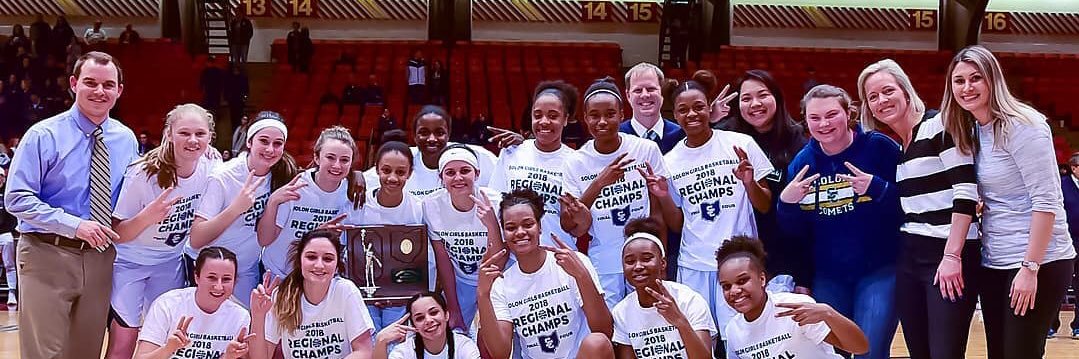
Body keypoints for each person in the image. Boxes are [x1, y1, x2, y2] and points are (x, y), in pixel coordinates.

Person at [942, 45, 1077, 358]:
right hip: (995, 260)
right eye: (959, 81)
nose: (967, 87)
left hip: (1039, 260)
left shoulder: (1024, 125)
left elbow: (1047, 202)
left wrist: (1030, 268)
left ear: (993, 80)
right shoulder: (972, 130)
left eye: (976, 78)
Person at [5, 51, 139, 358]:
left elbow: (136, 193)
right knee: (45, 354)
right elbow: (16, 198)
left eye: (108, 85)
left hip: (100, 259)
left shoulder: (126, 139)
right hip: (46, 253)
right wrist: (74, 225)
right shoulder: (43, 135)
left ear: (119, 90)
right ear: (73, 84)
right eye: (90, 82)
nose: (99, 91)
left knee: (86, 352)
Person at [857, 59, 981, 358]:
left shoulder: (941, 125)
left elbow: (965, 191)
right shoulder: (902, 146)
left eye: (888, 90)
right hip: (911, 254)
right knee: (919, 352)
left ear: (906, 89)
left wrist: (952, 256)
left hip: (948, 253)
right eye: (872, 97)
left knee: (944, 352)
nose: (881, 100)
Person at [777, 85, 902, 359]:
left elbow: (911, 204)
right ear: (806, 120)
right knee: (833, 353)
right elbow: (795, 233)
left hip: (880, 271)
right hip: (828, 277)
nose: (824, 124)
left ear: (849, 113)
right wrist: (786, 204)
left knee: (870, 350)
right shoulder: (802, 164)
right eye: (815, 118)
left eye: (832, 114)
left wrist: (877, 188)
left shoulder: (880, 148)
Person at [649, 75, 774, 338]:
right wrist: (662, 196)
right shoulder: (670, 161)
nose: (691, 114)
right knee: (699, 340)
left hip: (738, 262)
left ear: (710, 107)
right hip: (694, 263)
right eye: (683, 110)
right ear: (675, 115)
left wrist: (750, 182)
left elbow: (764, 205)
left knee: (742, 340)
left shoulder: (740, 144)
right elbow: (677, 224)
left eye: (698, 106)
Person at [105, 104, 216, 359]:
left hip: (169, 264)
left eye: (200, 134)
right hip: (129, 263)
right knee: (125, 338)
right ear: (168, 133)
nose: (192, 140)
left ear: (209, 137)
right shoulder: (143, 173)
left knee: (166, 340)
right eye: (184, 133)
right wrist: (148, 217)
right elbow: (116, 233)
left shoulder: (211, 168)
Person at [562, 77, 668, 308]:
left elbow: (657, 211)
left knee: (649, 319)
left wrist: (661, 257)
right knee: (611, 328)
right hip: (604, 260)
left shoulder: (645, 149)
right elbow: (568, 223)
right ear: (585, 118)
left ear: (622, 115)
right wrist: (599, 183)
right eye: (594, 115)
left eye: (610, 114)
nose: (602, 121)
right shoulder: (575, 162)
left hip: (644, 258)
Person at [478, 188, 615, 358]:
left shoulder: (573, 262)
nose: (520, 232)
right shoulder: (502, 284)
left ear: (540, 227)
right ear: (504, 234)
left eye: (528, 225)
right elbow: (500, 354)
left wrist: (581, 276)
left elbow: (604, 331)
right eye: (511, 227)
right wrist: (482, 294)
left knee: (597, 342)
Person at [191, 110, 299, 308]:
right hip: (210, 268)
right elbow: (197, 238)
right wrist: (235, 209)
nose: (270, 149)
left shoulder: (281, 176)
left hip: (245, 268)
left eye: (278, 144)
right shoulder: (223, 176)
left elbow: (264, 238)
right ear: (249, 142)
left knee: (243, 330)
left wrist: (273, 202)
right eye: (264, 141)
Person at [716, 70, 809, 292]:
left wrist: (803, 277)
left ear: (776, 97)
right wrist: (709, 120)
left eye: (763, 95)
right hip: (737, 250)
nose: (755, 104)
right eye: (746, 99)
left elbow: (805, 217)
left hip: (784, 253)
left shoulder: (798, 141)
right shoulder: (725, 136)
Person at [718, 236, 869, 358]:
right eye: (726, 286)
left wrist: (827, 313)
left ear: (762, 279)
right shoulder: (733, 330)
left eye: (742, 281)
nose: (734, 291)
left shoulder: (795, 307)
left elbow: (860, 347)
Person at [250, 229, 376, 359]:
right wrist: (258, 316)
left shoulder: (345, 290)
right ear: (299, 261)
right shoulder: (281, 296)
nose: (319, 265)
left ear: (337, 265)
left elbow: (364, 352)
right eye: (311, 257)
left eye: (327, 259)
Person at [258, 126, 359, 278]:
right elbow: (264, 239)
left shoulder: (351, 191)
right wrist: (273, 202)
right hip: (278, 274)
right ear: (317, 157)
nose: (337, 165)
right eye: (330, 158)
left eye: (344, 160)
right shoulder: (297, 186)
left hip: (317, 277)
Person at [423, 144, 503, 331]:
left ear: (477, 173)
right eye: (450, 172)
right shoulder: (431, 206)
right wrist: (453, 307)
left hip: (496, 278)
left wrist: (491, 224)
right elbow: (443, 260)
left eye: (465, 171)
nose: (458, 178)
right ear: (441, 178)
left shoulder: (496, 201)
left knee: (492, 337)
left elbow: (502, 255)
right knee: (451, 329)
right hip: (461, 282)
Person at [489, 80, 579, 247]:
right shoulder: (511, 151)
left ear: (566, 119)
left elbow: (576, 222)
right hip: (516, 256)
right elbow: (496, 205)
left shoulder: (576, 161)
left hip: (557, 255)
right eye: (537, 115)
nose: (544, 121)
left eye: (553, 116)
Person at [613, 217, 716, 359]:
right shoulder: (622, 312)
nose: (638, 267)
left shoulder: (689, 300)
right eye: (630, 261)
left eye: (646, 258)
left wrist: (679, 321)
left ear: (662, 263)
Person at [134, 246, 253, 359]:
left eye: (226, 279)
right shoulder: (167, 304)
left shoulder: (240, 316)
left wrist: (228, 356)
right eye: (212, 277)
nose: (218, 286)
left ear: (235, 281)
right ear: (197, 277)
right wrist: (169, 348)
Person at [363, 106, 498, 199]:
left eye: (439, 133)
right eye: (424, 133)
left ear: (448, 134)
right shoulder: (402, 158)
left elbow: (508, 176)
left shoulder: (477, 155)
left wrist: (519, 148)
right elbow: (371, 177)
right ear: (414, 136)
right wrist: (356, 176)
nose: (432, 139)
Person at [375, 291, 481, 359]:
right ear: (413, 325)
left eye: (434, 312)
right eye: (420, 318)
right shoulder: (404, 352)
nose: (428, 320)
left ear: (446, 315)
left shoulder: (464, 346)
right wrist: (380, 341)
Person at [620, 62, 686, 154]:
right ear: (628, 96)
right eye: (638, 90)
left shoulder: (681, 136)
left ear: (661, 92)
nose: (645, 95)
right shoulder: (617, 137)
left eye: (651, 89)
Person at [1050, 152, 1079, 338]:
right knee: (1058, 285)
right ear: (1074, 168)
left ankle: (1078, 326)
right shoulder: (1061, 185)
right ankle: (1051, 325)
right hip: (1065, 241)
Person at [0, 167, 16, 306]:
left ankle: (12, 292)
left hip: (5, 232)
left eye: (1, 176)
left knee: (9, 264)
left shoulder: (7, 193)